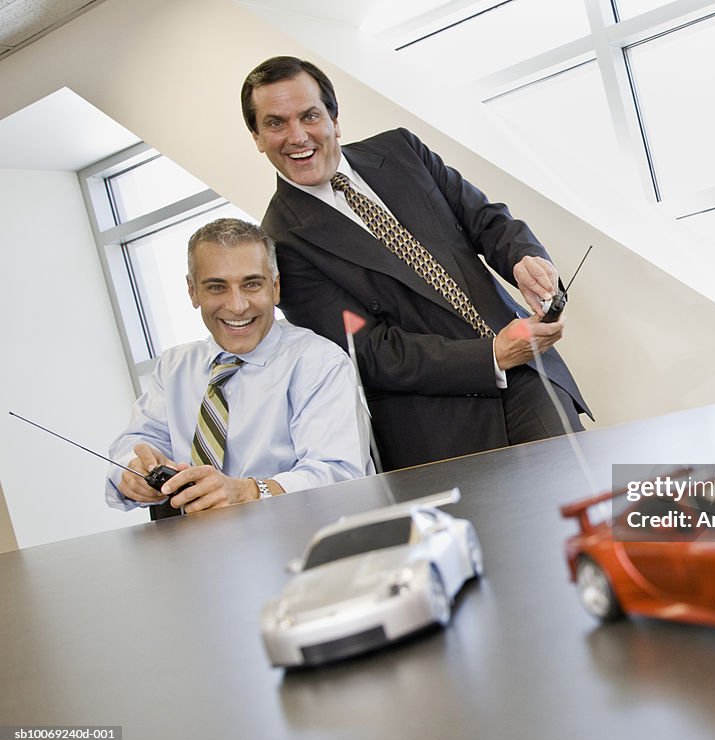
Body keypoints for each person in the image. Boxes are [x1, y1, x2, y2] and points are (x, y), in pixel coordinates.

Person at [241, 56, 591, 471]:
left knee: (582, 511)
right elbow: (370, 352)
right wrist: (491, 355)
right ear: (258, 137)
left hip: (529, 377)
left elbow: (485, 219)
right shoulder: (281, 241)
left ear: (334, 119)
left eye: (309, 116)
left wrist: (523, 259)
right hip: (440, 426)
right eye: (276, 123)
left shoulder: (401, 149)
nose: (297, 136)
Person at [106, 218, 374, 515]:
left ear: (275, 287)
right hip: (197, 549)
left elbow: (340, 476)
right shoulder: (173, 367)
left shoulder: (319, 362)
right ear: (193, 291)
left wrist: (247, 491)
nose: (237, 306)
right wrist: (132, 470)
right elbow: (137, 441)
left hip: (300, 542)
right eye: (217, 287)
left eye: (251, 284)